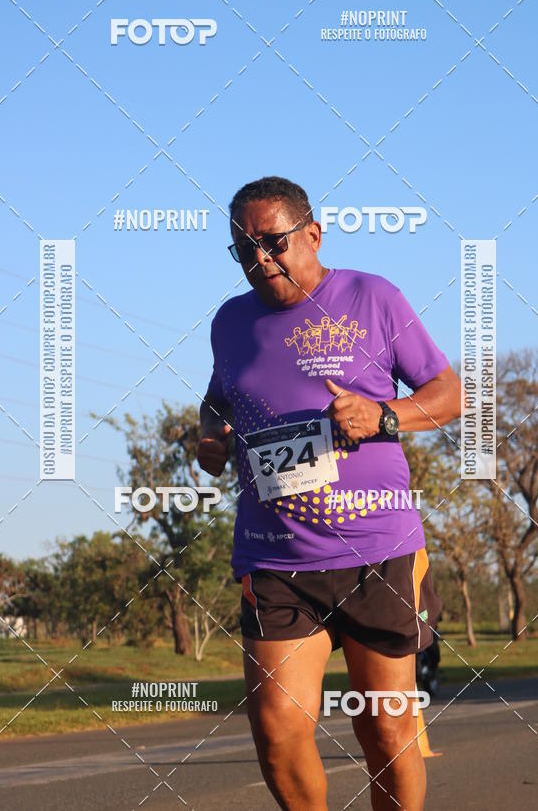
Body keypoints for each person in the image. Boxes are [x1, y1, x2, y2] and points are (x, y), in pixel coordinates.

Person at [197, 176, 461, 810]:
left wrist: (384, 416)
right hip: (276, 556)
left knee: (384, 726)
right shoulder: (231, 322)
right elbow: (215, 401)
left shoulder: (372, 297)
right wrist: (209, 436)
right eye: (244, 249)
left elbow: (450, 395)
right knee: (278, 732)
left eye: (273, 241)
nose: (260, 259)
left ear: (312, 234)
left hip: (376, 549)